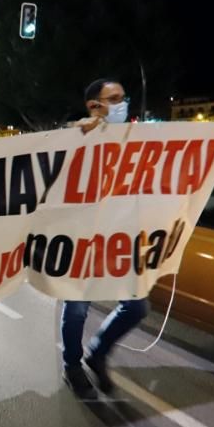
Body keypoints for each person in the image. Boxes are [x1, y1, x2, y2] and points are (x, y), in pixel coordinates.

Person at [60, 79, 151, 398]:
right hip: (82, 244)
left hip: (120, 240)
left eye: (123, 98)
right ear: (94, 106)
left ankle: (97, 353)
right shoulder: (76, 138)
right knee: (77, 311)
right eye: (114, 99)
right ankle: (72, 365)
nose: (122, 104)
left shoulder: (131, 138)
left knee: (137, 306)